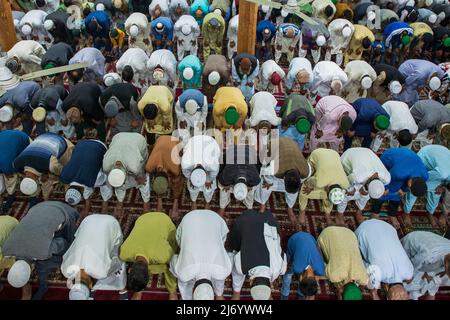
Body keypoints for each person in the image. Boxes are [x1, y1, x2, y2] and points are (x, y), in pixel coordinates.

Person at [2, 201, 78, 300]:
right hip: (37, 207)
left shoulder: (42, 252)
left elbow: (63, 243)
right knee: (43, 261)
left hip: (65, 211)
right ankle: (43, 286)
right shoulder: (6, 249)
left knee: (69, 247)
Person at [170, 210, 232, 300]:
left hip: (212, 218)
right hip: (191, 219)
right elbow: (174, 259)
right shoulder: (184, 273)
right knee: (183, 277)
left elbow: (229, 256)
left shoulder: (223, 271)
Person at [61, 214, 126, 300]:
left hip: (110, 222)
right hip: (87, 220)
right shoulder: (66, 271)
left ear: (91, 286)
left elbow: (117, 263)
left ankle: (122, 288)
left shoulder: (100, 272)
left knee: (117, 261)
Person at [230, 210, 286, 300]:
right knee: (234, 248)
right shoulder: (242, 266)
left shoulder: (280, 268)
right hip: (247, 219)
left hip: (270, 220)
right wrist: (236, 292)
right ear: (251, 281)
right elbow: (236, 272)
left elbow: (282, 253)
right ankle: (237, 292)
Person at [255, 137, 311, 228]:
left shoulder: (305, 171)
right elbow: (264, 172)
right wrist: (269, 182)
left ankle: (290, 208)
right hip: (273, 144)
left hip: (293, 144)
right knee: (265, 185)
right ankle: (262, 204)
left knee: (293, 191)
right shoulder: (274, 169)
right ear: (284, 178)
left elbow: (304, 180)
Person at [121, 212, 178, 300]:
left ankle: (172, 291)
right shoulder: (124, 253)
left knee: (170, 267)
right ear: (130, 269)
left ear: (130, 269)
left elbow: (173, 260)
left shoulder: (162, 255)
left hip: (163, 220)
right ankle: (138, 289)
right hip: (142, 219)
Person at [355, 219, 413, 300]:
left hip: (389, 228)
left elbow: (409, 279)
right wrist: (374, 293)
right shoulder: (379, 275)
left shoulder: (409, 272)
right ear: (386, 289)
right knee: (362, 278)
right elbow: (359, 264)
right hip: (363, 228)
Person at [373, 147, 429, 230]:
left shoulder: (425, 176)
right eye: (409, 190)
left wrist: (403, 190)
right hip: (388, 158)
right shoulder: (398, 173)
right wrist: (389, 190)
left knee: (399, 194)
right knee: (384, 191)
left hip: (407, 160)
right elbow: (388, 182)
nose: (408, 191)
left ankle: (392, 214)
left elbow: (404, 189)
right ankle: (375, 212)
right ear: (410, 183)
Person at [13, 132, 74, 203]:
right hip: (41, 137)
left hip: (61, 143)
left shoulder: (50, 164)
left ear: (36, 180)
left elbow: (63, 172)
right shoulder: (16, 164)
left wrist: (50, 174)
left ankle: (69, 197)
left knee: (68, 174)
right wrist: (45, 173)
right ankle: (46, 200)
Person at [102, 132, 150, 217]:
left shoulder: (134, 166)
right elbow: (116, 179)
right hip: (118, 136)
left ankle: (146, 201)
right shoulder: (106, 166)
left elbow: (141, 175)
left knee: (143, 181)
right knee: (118, 184)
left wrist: (140, 177)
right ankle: (120, 201)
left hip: (138, 139)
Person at [59, 139, 111, 217]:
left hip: (100, 146)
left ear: (82, 190)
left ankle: (105, 202)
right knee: (88, 179)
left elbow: (105, 181)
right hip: (80, 143)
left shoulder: (93, 180)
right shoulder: (64, 177)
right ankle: (88, 202)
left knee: (104, 183)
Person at [340, 147, 391, 225]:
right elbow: (345, 181)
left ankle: (359, 210)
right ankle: (339, 214)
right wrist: (350, 189)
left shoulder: (387, 178)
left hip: (368, 152)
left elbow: (379, 188)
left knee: (365, 195)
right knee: (345, 194)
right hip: (348, 155)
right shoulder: (358, 177)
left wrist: (364, 190)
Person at [403, 145, 450, 229]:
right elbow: (425, 178)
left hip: (439, 163)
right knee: (417, 187)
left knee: (436, 192)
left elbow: (446, 184)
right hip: (425, 156)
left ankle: (430, 213)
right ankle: (406, 213)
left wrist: (443, 187)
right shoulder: (443, 173)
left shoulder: (443, 174)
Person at [299, 148, 349, 227]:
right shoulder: (320, 182)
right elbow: (308, 182)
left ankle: (327, 214)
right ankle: (302, 211)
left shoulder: (346, 184)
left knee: (328, 197)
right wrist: (310, 188)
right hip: (316, 153)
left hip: (334, 153)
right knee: (304, 191)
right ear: (327, 188)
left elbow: (337, 193)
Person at [317, 226, 368, 300]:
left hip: (350, 233)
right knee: (320, 264)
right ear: (341, 291)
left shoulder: (364, 278)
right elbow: (321, 272)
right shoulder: (334, 275)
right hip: (328, 232)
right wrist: (338, 287)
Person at [401, 231, 450, 300]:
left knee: (429, 281)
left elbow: (440, 271)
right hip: (410, 246)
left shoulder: (445, 257)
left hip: (429, 246)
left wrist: (429, 274)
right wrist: (409, 277)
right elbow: (412, 265)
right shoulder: (429, 255)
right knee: (407, 279)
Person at [145, 136, 184, 219]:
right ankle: (159, 201)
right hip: (160, 139)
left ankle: (175, 203)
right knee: (159, 185)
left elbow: (177, 177)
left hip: (175, 141)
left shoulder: (175, 169)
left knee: (177, 181)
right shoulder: (149, 166)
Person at [217, 145, 261, 217]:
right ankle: (222, 207)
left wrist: (250, 186)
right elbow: (221, 181)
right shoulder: (226, 176)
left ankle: (249, 207)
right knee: (223, 188)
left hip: (250, 153)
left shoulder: (255, 178)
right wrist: (225, 185)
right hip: (231, 151)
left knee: (252, 189)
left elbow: (258, 170)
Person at [280, 231, 325, 300]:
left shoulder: (321, 270)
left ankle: (300, 293)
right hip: (294, 239)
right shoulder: (297, 267)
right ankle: (285, 293)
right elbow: (290, 268)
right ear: (300, 278)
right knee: (288, 274)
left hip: (310, 237)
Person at [181, 135, 221, 209]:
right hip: (193, 142)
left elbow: (213, 174)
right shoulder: (185, 164)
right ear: (192, 170)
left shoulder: (212, 165)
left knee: (209, 187)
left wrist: (209, 180)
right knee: (192, 186)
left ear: (206, 172)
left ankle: (207, 202)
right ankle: (193, 201)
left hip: (211, 142)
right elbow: (186, 174)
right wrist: (191, 179)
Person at [0, 130, 30, 214]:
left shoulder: (6, 164)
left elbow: (10, 172)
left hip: (22, 139)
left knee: (17, 174)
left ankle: (12, 195)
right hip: (7, 139)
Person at [0, 215, 19, 292]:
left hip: (13, 226)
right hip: (4, 219)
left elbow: (12, 263)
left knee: (16, 269)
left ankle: (27, 289)